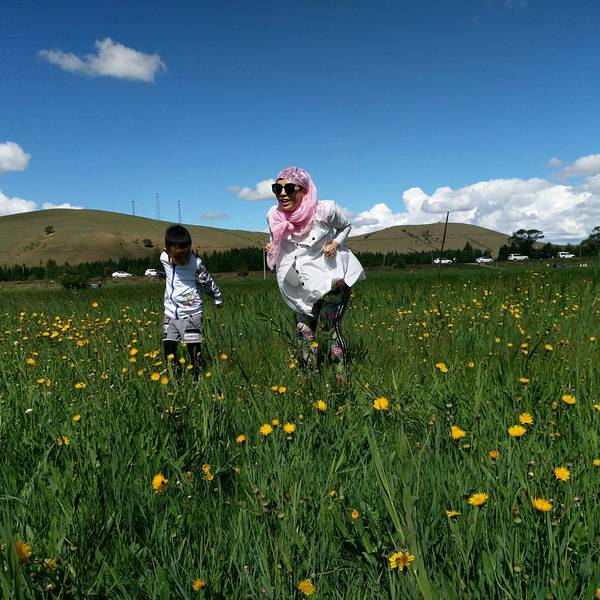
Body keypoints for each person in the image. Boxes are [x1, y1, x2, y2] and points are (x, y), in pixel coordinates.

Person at [266, 166, 364, 377]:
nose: (282, 193)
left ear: (303, 190)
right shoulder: (274, 215)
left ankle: (341, 378)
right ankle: (310, 380)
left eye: (289, 188)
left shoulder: (325, 210)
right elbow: (276, 237)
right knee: (304, 331)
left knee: (329, 329)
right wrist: (272, 246)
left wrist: (335, 243)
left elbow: (346, 226)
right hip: (299, 283)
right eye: (277, 188)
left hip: (331, 278)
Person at [160, 224, 223, 380]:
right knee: (168, 346)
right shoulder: (164, 258)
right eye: (178, 256)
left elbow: (207, 281)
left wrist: (217, 297)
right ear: (167, 252)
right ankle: (174, 378)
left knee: (193, 348)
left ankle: (197, 378)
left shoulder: (196, 263)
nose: (183, 260)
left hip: (192, 313)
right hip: (170, 313)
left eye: (185, 254)